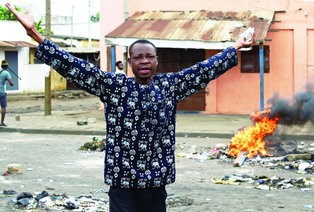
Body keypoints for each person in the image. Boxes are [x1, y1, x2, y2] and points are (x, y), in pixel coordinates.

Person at [6, 2, 254, 212]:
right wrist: (36, 35)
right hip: (122, 182)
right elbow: (75, 67)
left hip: (156, 181)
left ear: (157, 60)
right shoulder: (114, 87)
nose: (144, 61)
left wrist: (237, 46)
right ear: (130, 62)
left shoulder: (170, 86)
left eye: (149, 56)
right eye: (138, 57)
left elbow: (204, 69)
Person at [0, 59, 14, 127]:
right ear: (7, 66)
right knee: (3, 108)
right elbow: (11, 83)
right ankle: (2, 123)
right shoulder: (6, 73)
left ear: (1, 66)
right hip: (1, 92)